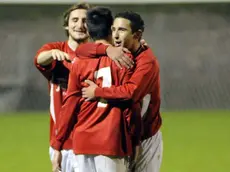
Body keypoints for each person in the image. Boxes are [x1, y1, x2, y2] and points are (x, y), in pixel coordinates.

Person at [34, 3, 133, 172]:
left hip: (89, 138)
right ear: (66, 24)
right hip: (65, 142)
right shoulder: (56, 50)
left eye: (84, 20)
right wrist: (51, 55)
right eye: (74, 20)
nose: (79, 25)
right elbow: (39, 60)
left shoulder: (105, 54)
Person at [81, 11, 163, 172]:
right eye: (113, 29)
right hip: (121, 136)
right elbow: (81, 51)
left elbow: (130, 93)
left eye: (122, 30)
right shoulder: (116, 53)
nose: (116, 35)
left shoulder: (146, 61)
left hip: (145, 136)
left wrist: (97, 92)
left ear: (137, 35)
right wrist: (105, 50)